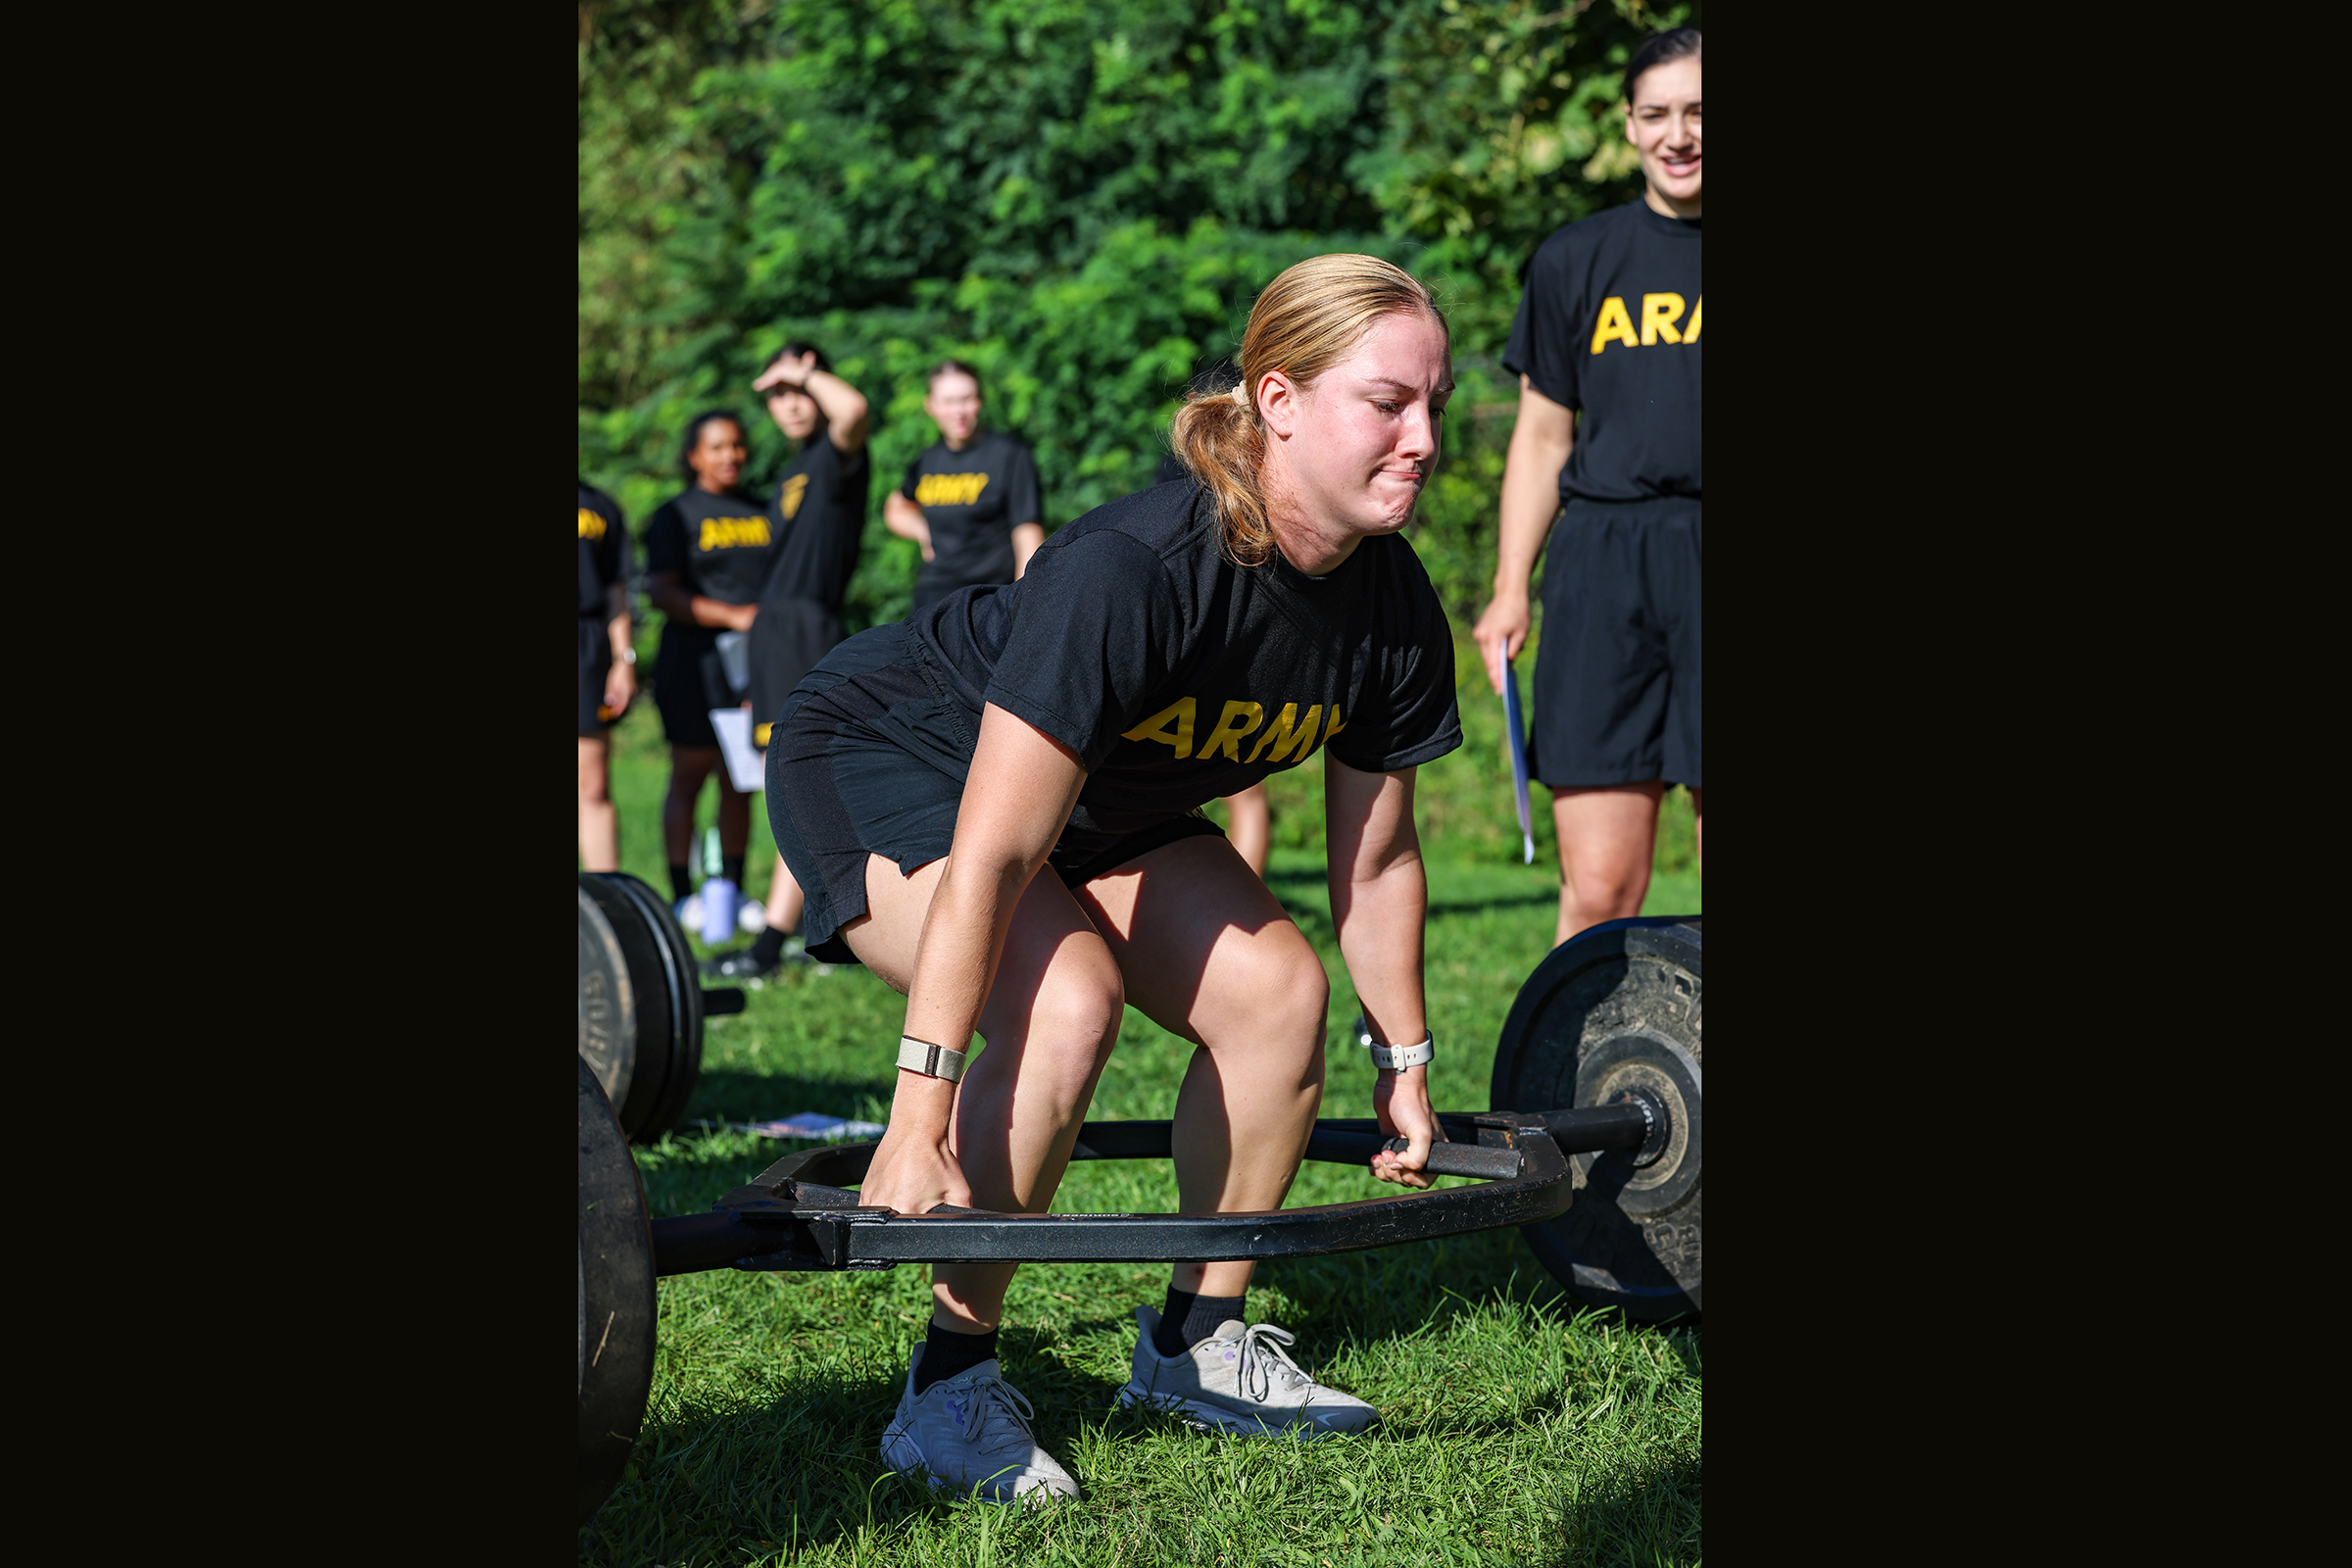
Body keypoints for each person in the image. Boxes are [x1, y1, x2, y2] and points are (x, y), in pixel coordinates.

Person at [767, 254, 1461, 1501]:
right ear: (1279, 400)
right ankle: (947, 1383)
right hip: (895, 747)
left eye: (1436, 406)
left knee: (1277, 997)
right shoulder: (1137, 567)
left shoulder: (1393, 603)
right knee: (1064, 997)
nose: (1422, 439)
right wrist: (919, 1111)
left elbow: (1378, 856)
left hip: (1103, 801)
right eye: (1388, 404)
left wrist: (1404, 1061)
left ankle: (1196, 1339)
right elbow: (993, 849)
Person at [1471, 25, 1702, 947]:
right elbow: (1541, 434)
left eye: (1698, 111)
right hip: (1603, 563)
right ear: (1629, 124)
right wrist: (1507, 586)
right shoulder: (1576, 259)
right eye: (1657, 114)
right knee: (1602, 883)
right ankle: (1572, 1082)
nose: (1679, 134)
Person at [704, 344, 873, 982]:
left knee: (801, 782)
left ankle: (778, 942)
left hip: (808, 624)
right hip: (775, 630)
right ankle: (822, 931)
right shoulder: (793, 469)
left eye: (798, 388)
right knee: (787, 779)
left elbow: (853, 407)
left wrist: (802, 373)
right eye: (775, 393)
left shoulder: (836, 454)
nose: (788, 402)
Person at [645, 412, 775, 937]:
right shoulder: (674, 515)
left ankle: (733, 890)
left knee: (738, 780)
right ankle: (682, 897)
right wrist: (732, 617)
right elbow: (660, 591)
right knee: (690, 773)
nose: (730, 456)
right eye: (717, 447)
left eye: (737, 445)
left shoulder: (764, 510)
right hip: (692, 664)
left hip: (751, 666)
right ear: (694, 456)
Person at [1147, 449, 1271, 875]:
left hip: (1205, 655)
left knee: (1243, 797)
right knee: (1245, 797)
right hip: (1208, 653)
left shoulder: (1180, 457)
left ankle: (1242, 902)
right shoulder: (1260, 460)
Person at [885, 362, 1045, 612]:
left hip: (988, 598)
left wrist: (1025, 600)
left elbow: (1027, 530)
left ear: (980, 401)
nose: (958, 411)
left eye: (966, 399)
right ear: (931, 406)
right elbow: (896, 508)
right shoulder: (927, 460)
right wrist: (922, 530)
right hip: (933, 599)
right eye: (948, 401)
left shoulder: (1010, 455)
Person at [578, 479, 636, 872]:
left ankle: (606, 911)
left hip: (588, 644)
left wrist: (623, 659)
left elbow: (616, 589)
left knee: (593, 786)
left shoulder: (599, 505)